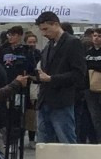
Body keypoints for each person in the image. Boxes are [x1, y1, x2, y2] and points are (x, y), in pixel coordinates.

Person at [32, 11, 86, 145]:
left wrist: (52, 79)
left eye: (46, 29)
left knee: (66, 139)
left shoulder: (72, 43)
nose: (44, 33)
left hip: (61, 100)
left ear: (56, 24)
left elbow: (79, 74)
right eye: (41, 30)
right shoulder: (49, 45)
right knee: (44, 141)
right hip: (45, 99)